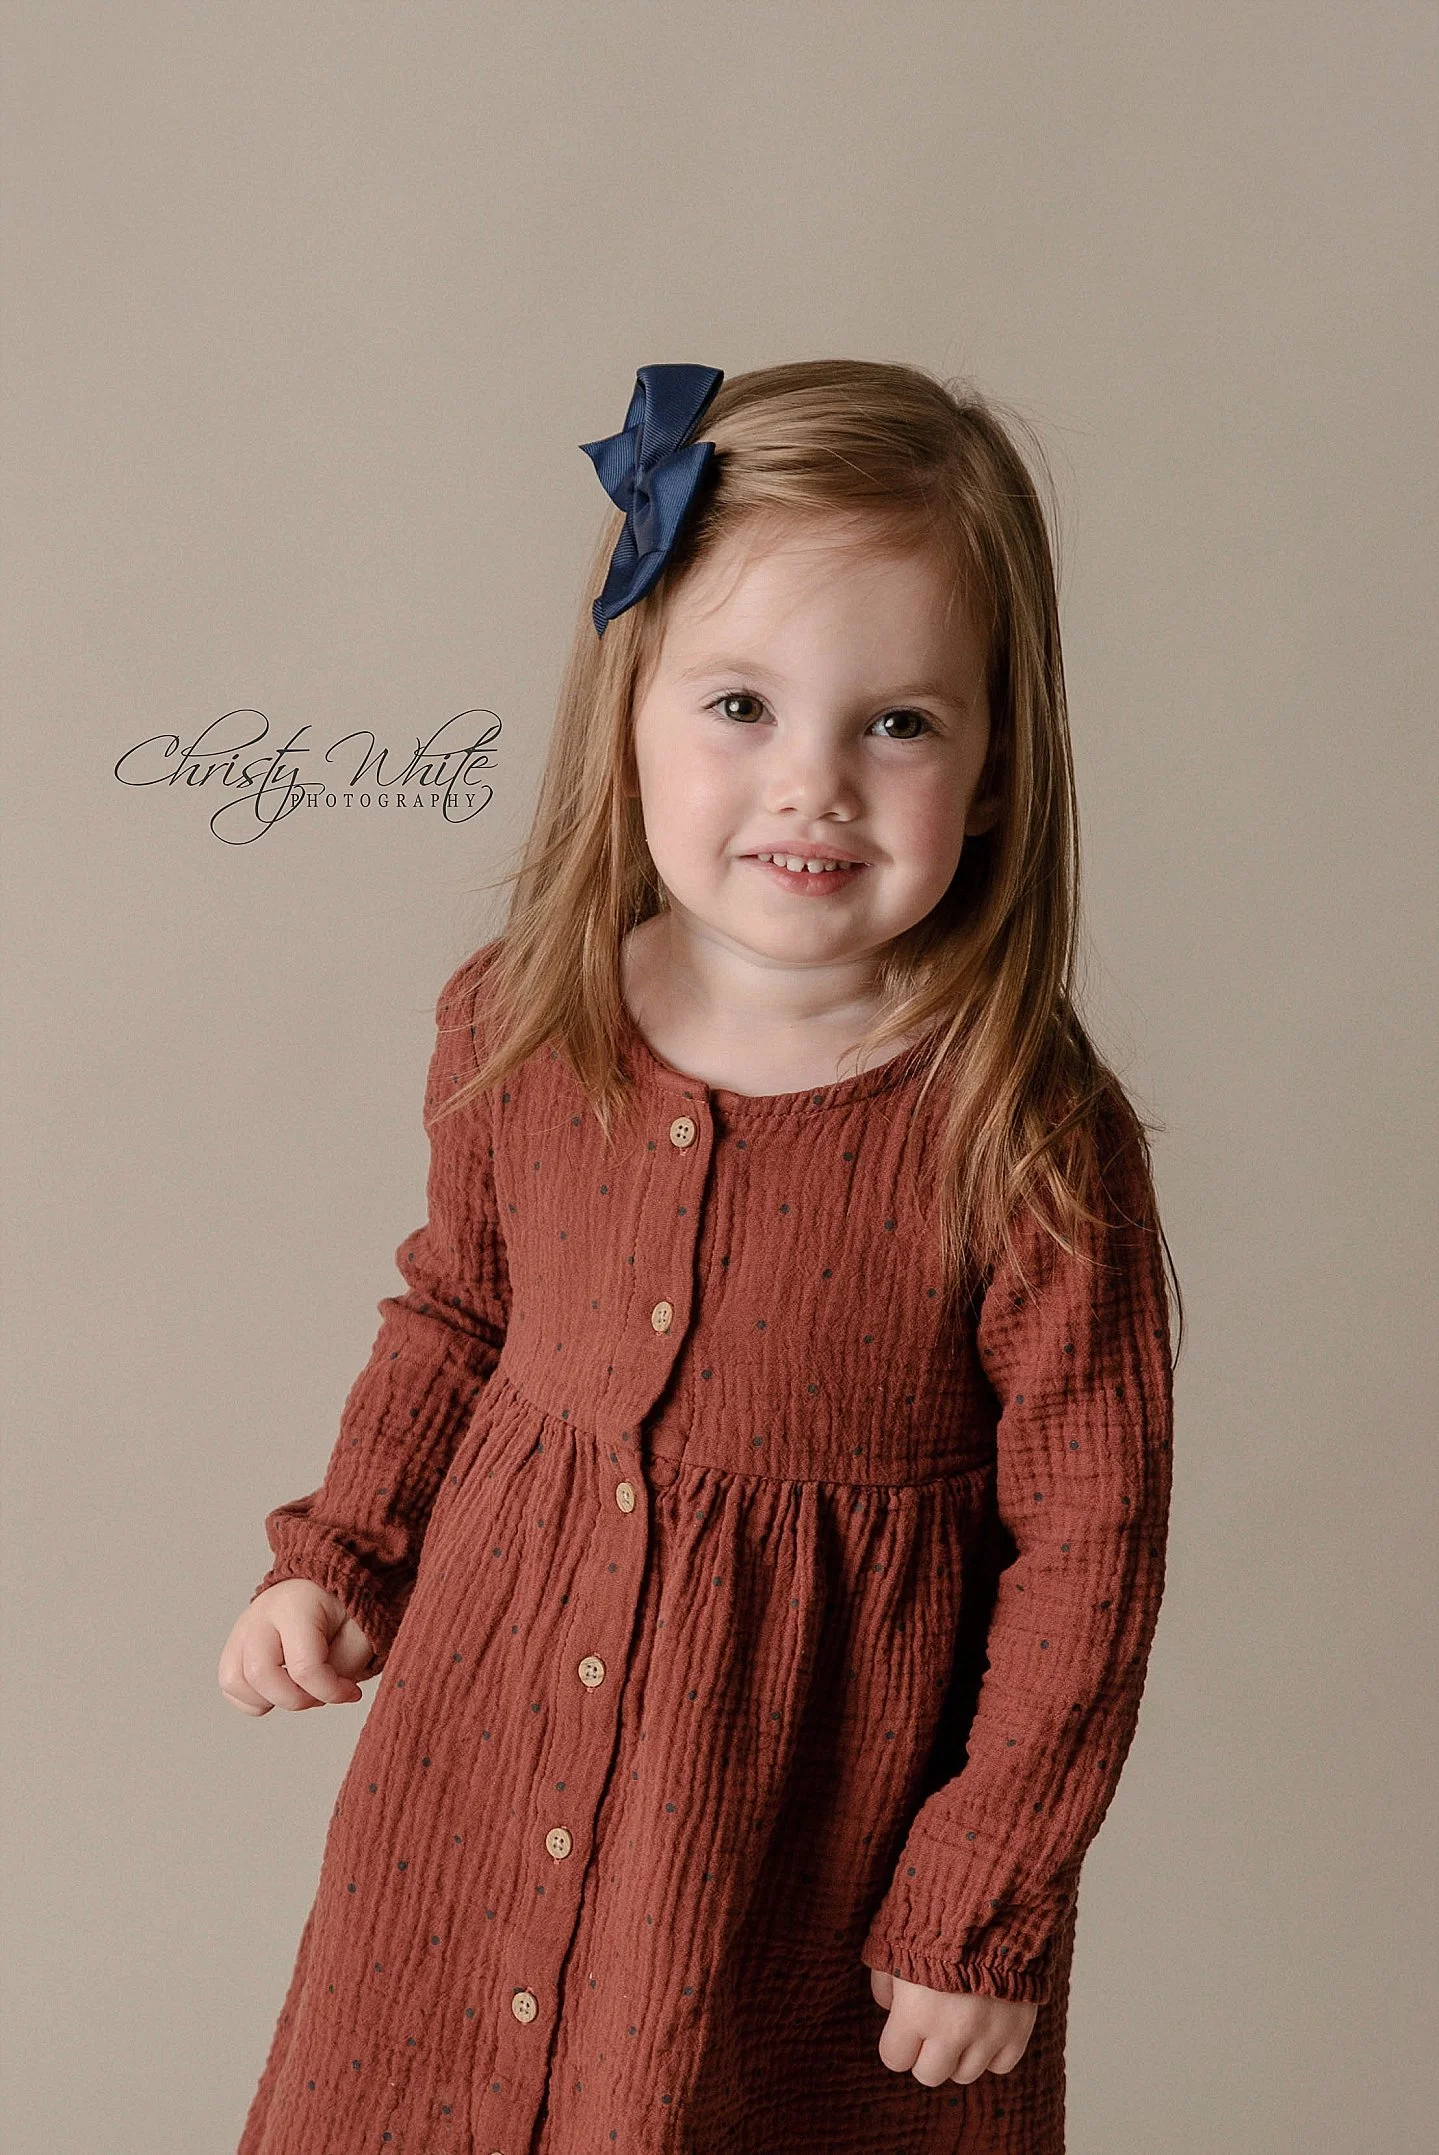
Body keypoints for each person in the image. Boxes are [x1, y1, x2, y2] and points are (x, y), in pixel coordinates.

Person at [220, 358, 1181, 2155]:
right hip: (488, 1756)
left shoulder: (1022, 1131)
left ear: (993, 771)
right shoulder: (526, 1022)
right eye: (740, 703)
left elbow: (1089, 1548)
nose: (811, 783)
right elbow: (456, 1312)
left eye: (898, 724)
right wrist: (345, 1549)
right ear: (632, 713)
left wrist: (983, 1889)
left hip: (800, 1835)